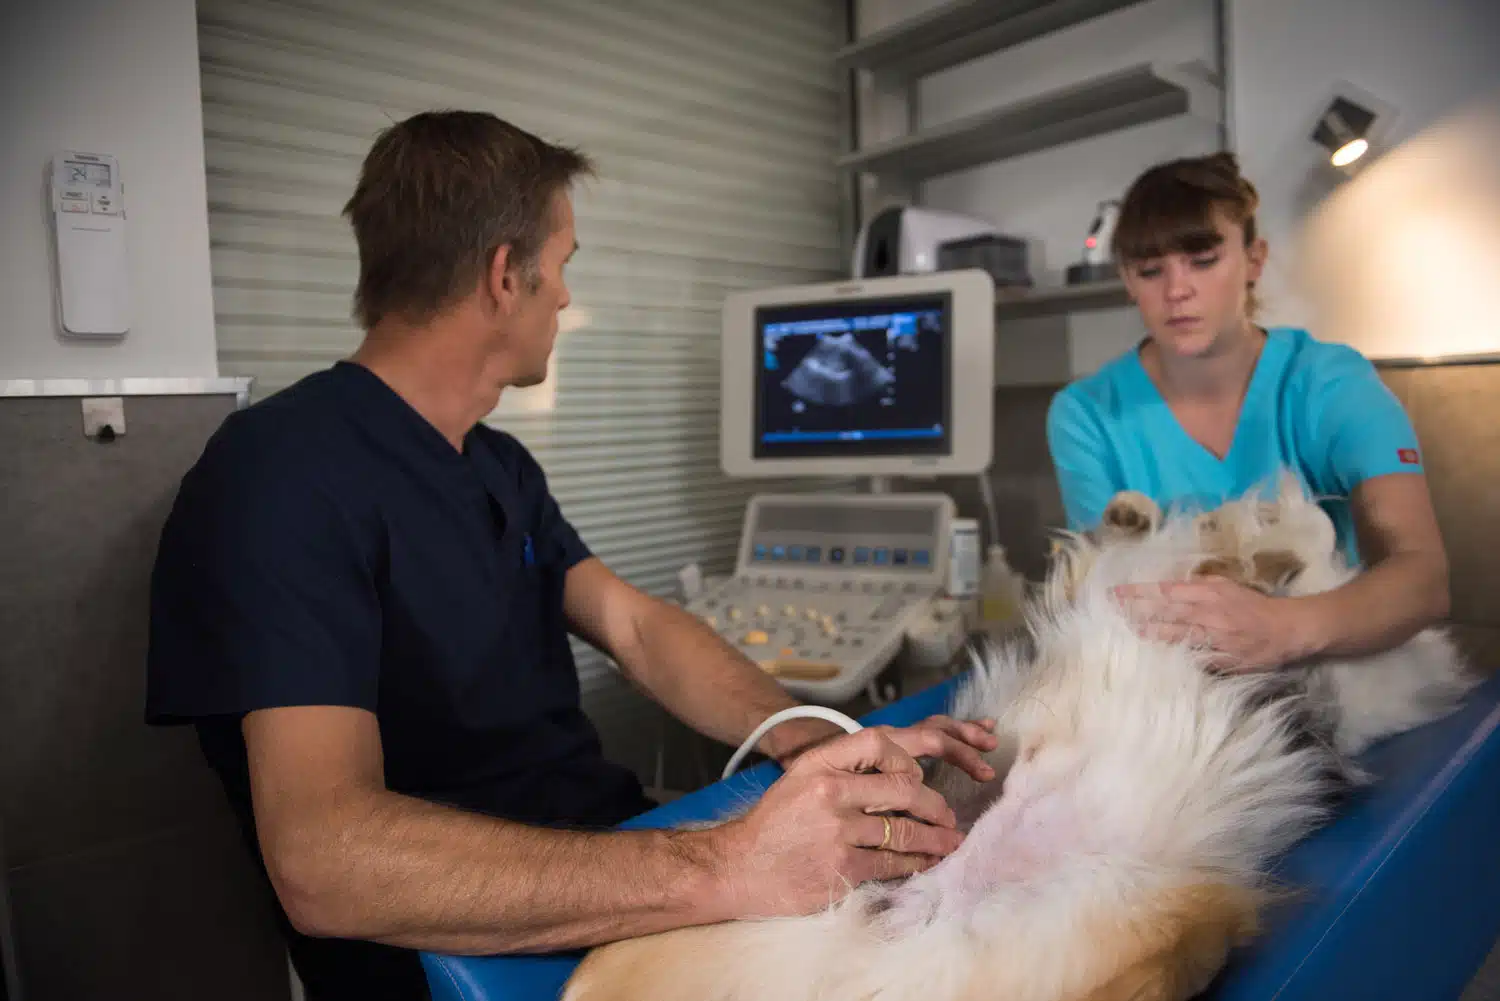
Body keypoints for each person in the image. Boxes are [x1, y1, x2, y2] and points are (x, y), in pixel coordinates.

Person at [144, 110, 998, 1001]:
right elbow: (324, 858)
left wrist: (816, 734)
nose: (563, 297)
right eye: (563, 266)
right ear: (505, 275)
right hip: (462, 954)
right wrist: (726, 864)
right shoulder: (280, 474)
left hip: (619, 852)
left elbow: (634, 625)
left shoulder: (496, 464)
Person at [1045, 151, 1450, 674]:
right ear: (1127, 279)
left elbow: (1424, 577)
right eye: (1150, 270)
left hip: (1326, 670)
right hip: (1171, 672)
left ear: (1254, 260)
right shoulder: (1084, 414)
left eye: (1204, 260)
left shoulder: (1331, 384)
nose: (1177, 290)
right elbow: (1107, 592)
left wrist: (1283, 629)